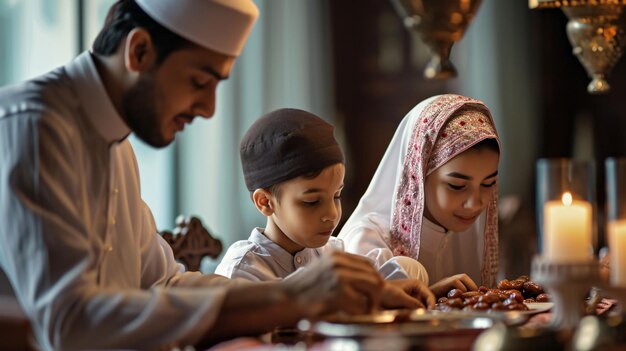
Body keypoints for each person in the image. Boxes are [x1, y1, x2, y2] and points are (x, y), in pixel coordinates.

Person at [0, 1, 432, 349]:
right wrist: (294, 296)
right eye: (199, 81)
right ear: (139, 51)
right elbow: (67, 324)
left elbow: (164, 282)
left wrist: (336, 294)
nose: (208, 109)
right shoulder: (34, 126)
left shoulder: (115, 145)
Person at [215, 108, 432, 293]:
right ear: (265, 202)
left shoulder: (334, 252)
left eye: (336, 196)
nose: (332, 214)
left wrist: (424, 291)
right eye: (312, 201)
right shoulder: (244, 272)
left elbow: (386, 281)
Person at [338, 94, 501, 298]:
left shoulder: (471, 235)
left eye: (488, 184)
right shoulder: (367, 244)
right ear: (418, 175)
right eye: (457, 186)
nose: (475, 204)